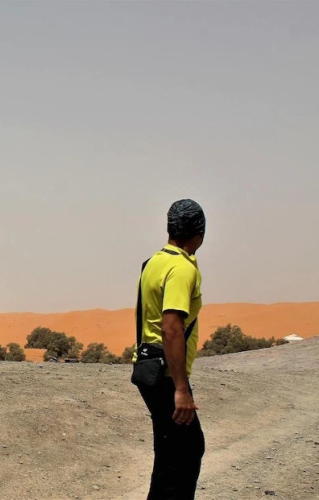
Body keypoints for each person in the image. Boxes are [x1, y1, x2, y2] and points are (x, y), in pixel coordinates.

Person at [135, 199, 207, 500]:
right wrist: (181, 388)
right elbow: (171, 327)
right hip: (166, 375)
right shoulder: (181, 268)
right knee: (186, 452)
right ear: (200, 233)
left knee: (170, 454)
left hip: (150, 368)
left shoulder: (154, 262)